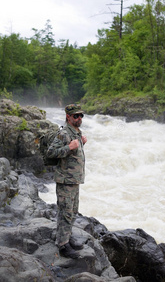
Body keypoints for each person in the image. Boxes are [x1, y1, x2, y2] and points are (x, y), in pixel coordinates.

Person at [47, 103, 87, 258]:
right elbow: (51, 153)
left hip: (74, 180)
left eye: (81, 115)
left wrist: (81, 144)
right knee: (65, 213)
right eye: (76, 116)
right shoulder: (64, 133)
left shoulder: (76, 132)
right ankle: (63, 245)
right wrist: (69, 148)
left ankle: (67, 238)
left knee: (73, 211)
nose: (79, 118)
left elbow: (74, 154)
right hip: (65, 181)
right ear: (68, 117)